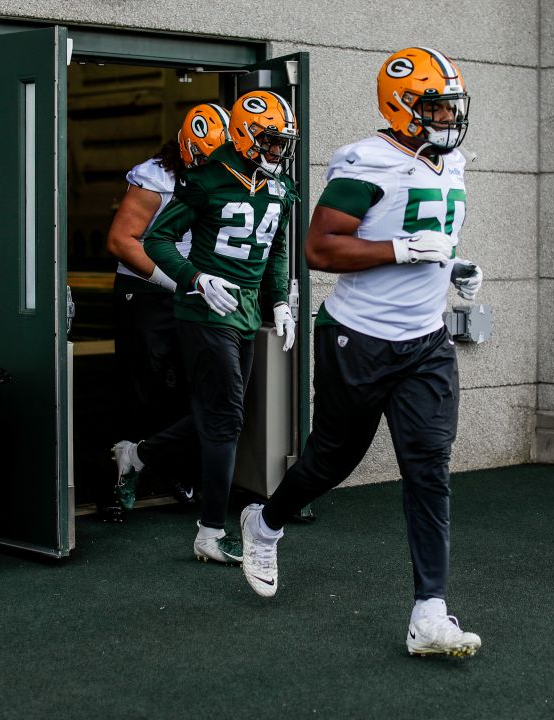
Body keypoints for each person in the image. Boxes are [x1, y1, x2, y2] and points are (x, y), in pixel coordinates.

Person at [236, 47, 486, 658]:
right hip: (359, 338)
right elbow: (320, 248)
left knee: (429, 467)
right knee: (331, 460)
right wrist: (400, 250)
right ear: (400, 107)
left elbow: (433, 235)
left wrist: (455, 266)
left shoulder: (449, 161)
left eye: (451, 105)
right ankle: (264, 523)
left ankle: (430, 611)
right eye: (434, 106)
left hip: (426, 342)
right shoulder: (366, 160)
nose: (447, 118)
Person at [142, 91, 299, 565]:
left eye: (282, 142)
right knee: (226, 416)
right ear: (246, 136)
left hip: (247, 310)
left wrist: (280, 304)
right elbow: (156, 238)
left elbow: (275, 252)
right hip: (205, 309)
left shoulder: (279, 188)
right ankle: (210, 531)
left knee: (222, 412)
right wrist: (195, 277)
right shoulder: (206, 179)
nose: (277, 151)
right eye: (271, 141)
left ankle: (139, 454)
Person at [104, 103, 231, 520]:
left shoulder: (231, 172)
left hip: (197, 286)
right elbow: (123, 240)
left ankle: (171, 468)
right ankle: (122, 479)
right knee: (142, 384)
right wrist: (172, 279)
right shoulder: (156, 176)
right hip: (148, 288)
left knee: (192, 385)